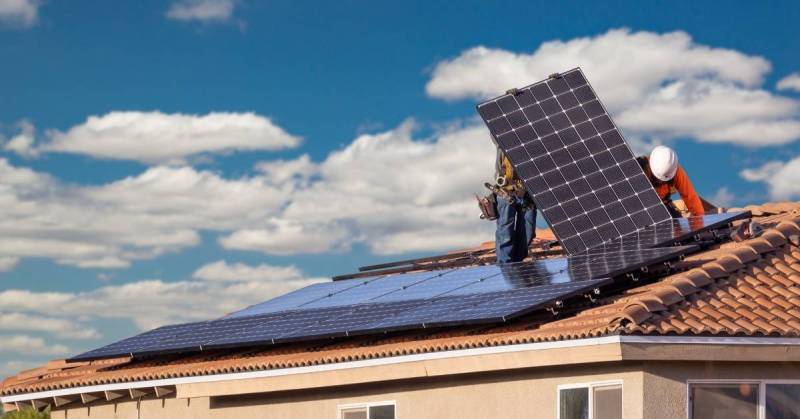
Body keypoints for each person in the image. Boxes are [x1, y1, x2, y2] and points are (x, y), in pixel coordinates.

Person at [494, 149, 536, 264]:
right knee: (505, 233)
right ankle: (505, 264)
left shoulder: (532, 143)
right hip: (506, 192)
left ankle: (517, 263)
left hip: (526, 193)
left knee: (528, 232)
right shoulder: (503, 141)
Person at [638, 145, 704, 217]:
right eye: (657, 178)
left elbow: (690, 197)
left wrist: (700, 221)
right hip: (640, 208)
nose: (660, 181)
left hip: (664, 207)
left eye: (663, 180)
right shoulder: (638, 170)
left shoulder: (674, 171)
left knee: (677, 224)